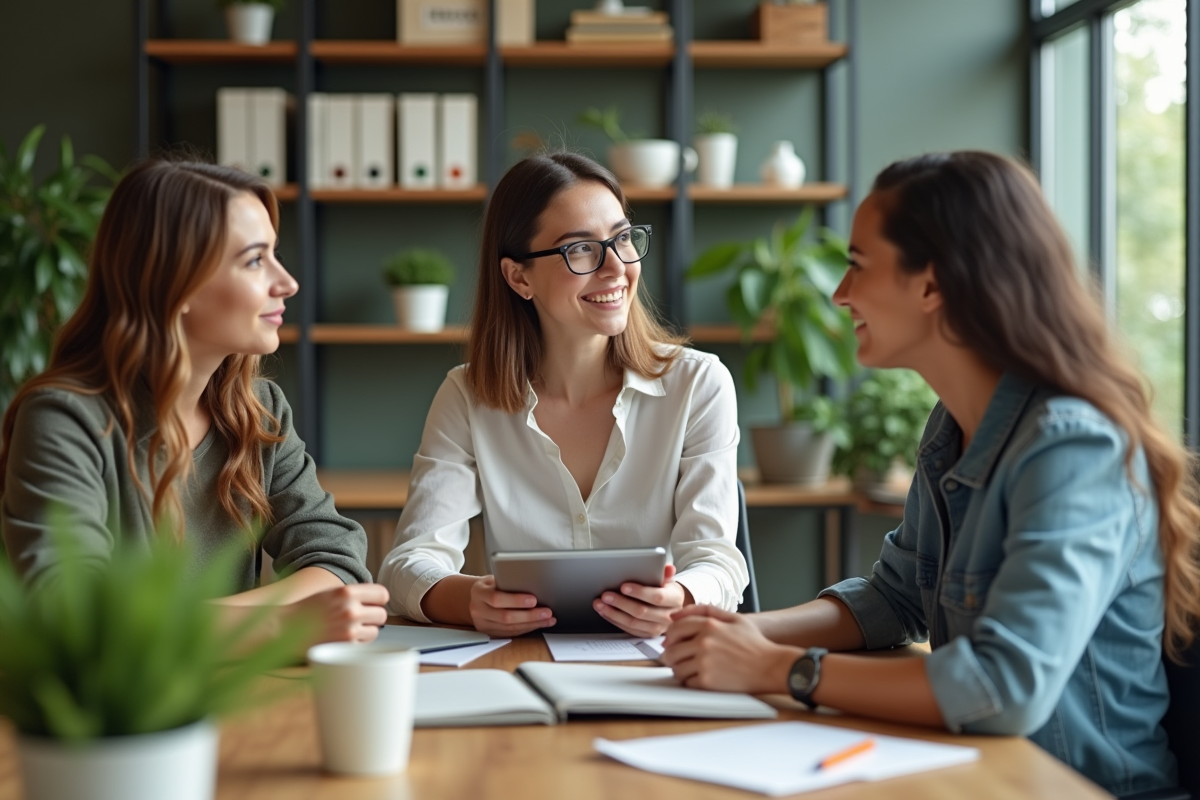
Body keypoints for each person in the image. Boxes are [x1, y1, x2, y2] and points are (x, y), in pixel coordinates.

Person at [660, 151, 1200, 796]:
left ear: (932, 283)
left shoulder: (1074, 449)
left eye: (857, 266)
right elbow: (897, 598)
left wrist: (783, 669)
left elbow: (1006, 687)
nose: (840, 294)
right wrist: (748, 631)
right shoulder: (951, 426)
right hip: (979, 774)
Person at [0, 160, 388, 647]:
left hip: (235, 697)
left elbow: (339, 563)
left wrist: (184, 625)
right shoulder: (63, 421)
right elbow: (76, 618)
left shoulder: (258, 409)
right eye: (254, 261)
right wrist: (280, 624)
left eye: (275, 254)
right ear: (174, 283)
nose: (286, 282)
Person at [378, 152, 748, 638]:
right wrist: (472, 601)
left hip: (659, 661)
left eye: (621, 238)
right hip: (519, 661)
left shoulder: (698, 385)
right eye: (580, 250)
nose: (616, 268)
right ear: (519, 277)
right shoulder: (467, 396)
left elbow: (718, 560)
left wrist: (677, 599)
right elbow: (409, 561)